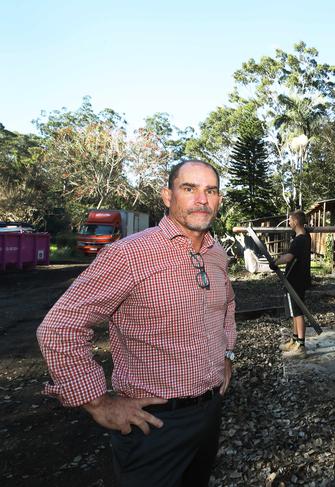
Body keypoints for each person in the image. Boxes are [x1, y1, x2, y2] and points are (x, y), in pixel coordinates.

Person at [37, 160, 236, 487]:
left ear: (219, 199)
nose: (202, 199)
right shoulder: (130, 254)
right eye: (189, 189)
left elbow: (227, 304)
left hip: (210, 412)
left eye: (210, 190)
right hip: (154, 425)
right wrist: (99, 404)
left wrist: (228, 355)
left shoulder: (217, 255)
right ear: (167, 196)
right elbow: (60, 326)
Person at [272, 210, 311, 358]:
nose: (288, 222)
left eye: (290, 220)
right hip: (296, 279)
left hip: (297, 280)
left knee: (298, 312)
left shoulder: (300, 239)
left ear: (295, 222)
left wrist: (275, 262)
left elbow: (288, 257)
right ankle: (295, 341)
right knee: (295, 312)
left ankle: (301, 346)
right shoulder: (304, 236)